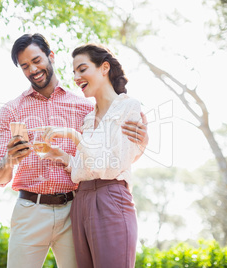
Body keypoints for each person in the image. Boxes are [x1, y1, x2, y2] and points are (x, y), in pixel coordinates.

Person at [0, 34, 148, 268]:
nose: (33, 69)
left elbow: (113, 153)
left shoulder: (86, 107)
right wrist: (9, 159)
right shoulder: (11, 110)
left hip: (75, 210)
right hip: (29, 211)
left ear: (50, 56)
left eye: (36, 60)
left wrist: (142, 140)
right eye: (25, 66)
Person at [41, 43, 143, 267]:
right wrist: (63, 157)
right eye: (74, 72)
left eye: (82, 69)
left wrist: (73, 136)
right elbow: (86, 168)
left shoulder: (129, 108)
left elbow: (111, 164)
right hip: (82, 201)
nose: (76, 77)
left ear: (104, 67)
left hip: (111, 198)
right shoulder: (88, 118)